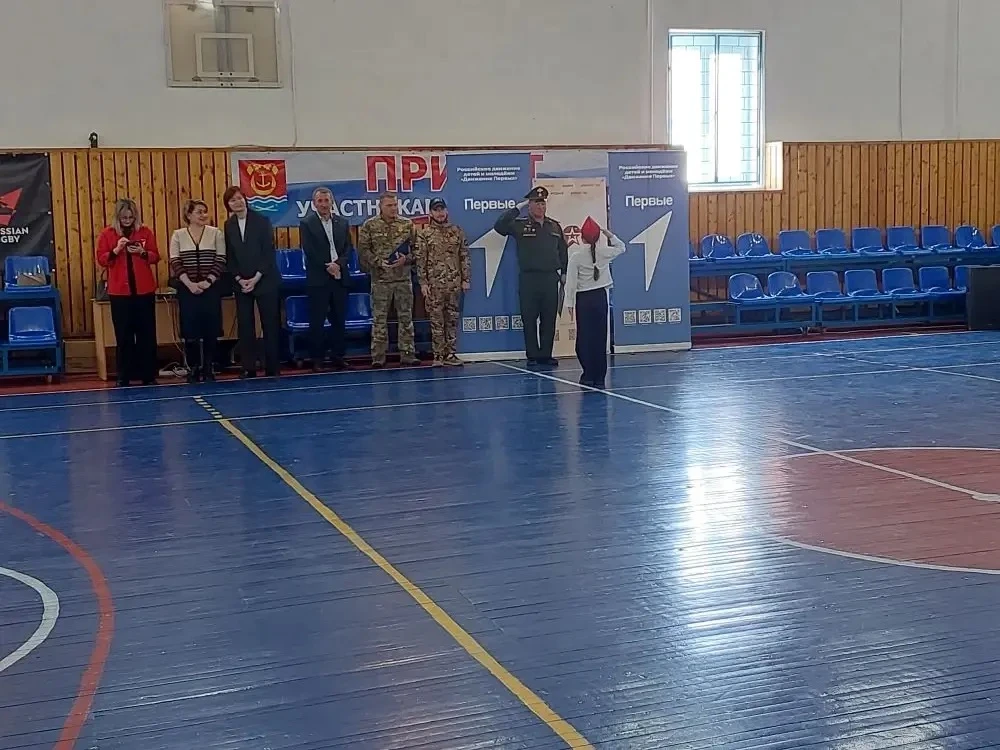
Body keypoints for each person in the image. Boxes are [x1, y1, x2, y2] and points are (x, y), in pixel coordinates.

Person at [493, 185, 568, 367]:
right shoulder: (520, 225)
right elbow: (499, 226)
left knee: (549, 319)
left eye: (543, 204)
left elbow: (563, 251)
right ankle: (533, 355)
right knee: (529, 318)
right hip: (529, 279)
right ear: (530, 206)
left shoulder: (554, 225)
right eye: (536, 203)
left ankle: (546, 355)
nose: (541, 207)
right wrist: (517, 208)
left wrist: (564, 272)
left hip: (550, 278)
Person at [96, 199, 161, 386]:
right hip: (120, 293)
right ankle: (124, 375)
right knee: (123, 335)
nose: (127, 220)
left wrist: (142, 252)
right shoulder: (107, 234)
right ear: (118, 217)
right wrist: (116, 250)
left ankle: (148, 375)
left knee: (146, 334)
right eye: (124, 217)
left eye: (131, 217)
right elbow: (102, 259)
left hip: (144, 291)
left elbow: (155, 256)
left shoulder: (145, 232)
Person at [223, 185, 281, 378]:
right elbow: (230, 256)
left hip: (265, 280)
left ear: (245, 199)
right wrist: (240, 279)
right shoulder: (229, 225)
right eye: (233, 200)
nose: (237, 202)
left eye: (240, 198)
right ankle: (249, 367)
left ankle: (272, 366)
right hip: (242, 283)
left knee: (270, 323)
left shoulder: (262, 221)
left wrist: (256, 278)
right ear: (228, 205)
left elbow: (268, 253)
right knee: (245, 325)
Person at [358, 193, 419, 368]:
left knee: (406, 318)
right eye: (389, 205)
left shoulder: (407, 224)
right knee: (379, 320)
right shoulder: (370, 225)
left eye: (395, 205)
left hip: (402, 279)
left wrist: (406, 259)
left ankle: (408, 354)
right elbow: (363, 250)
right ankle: (378, 357)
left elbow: (417, 249)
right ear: (381, 207)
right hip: (381, 280)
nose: (393, 208)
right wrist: (378, 262)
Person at [169, 199, 226, 383]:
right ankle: (193, 368)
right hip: (187, 290)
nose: (203, 215)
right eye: (199, 212)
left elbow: (220, 259)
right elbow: (175, 261)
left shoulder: (215, 233)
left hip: (210, 288)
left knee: (211, 329)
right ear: (189, 215)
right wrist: (189, 284)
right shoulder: (178, 235)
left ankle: (209, 367)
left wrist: (208, 282)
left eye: (205, 211)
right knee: (190, 330)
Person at [564, 221, 626, 389]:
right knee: (600, 338)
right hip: (600, 298)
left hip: (583, 300)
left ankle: (588, 374)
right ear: (598, 237)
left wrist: (569, 304)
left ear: (582, 237)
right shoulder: (605, 252)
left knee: (584, 338)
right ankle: (599, 376)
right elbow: (621, 247)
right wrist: (609, 234)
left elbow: (570, 283)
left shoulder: (576, 256)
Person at [300, 186, 354, 371]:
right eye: (320, 201)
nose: (323, 204)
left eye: (326, 200)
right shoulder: (307, 223)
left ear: (332, 202)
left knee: (339, 320)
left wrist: (338, 264)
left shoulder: (342, 222)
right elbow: (310, 250)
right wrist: (327, 266)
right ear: (314, 204)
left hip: (339, 277)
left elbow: (348, 248)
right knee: (317, 321)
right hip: (318, 278)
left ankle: (338, 356)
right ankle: (317, 359)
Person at [415, 198, 470, 366]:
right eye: (436, 210)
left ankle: (450, 354)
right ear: (431, 213)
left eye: (442, 209)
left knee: (452, 320)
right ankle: (438, 356)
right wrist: (423, 283)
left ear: (446, 211)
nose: (440, 213)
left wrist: (466, 279)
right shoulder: (424, 234)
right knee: (436, 322)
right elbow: (420, 260)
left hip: (454, 284)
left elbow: (464, 256)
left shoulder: (457, 231)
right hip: (434, 286)